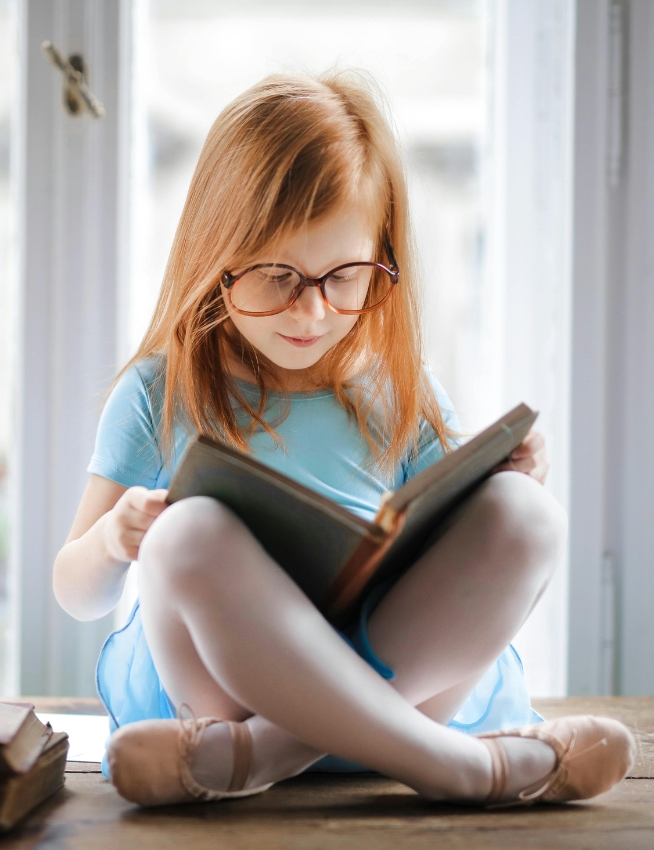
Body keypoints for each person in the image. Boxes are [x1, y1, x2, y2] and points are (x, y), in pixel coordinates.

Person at [53, 71, 634, 807]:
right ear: (214, 256)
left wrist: (510, 475)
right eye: (275, 277)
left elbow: (464, 538)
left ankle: (269, 754)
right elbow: (74, 592)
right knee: (184, 534)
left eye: (346, 277)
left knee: (527, 513)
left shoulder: (397, 386)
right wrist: (113, 539)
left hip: (379, 690)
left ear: (381, 260)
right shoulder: (160, 391)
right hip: (222, 695)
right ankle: (460, 768)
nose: (313, 311)